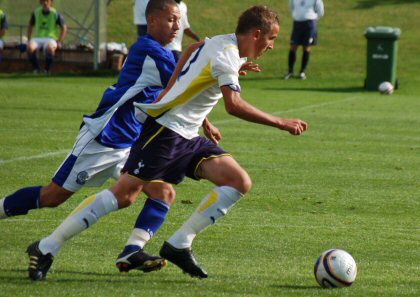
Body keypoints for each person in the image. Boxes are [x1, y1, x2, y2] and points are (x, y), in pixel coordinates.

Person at [26, 4, 308, 281]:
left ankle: (179, 244)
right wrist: (281, 122)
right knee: (124, 195)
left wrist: (173, 90)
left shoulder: (219, 43)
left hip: (188, 136)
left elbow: (190, 51)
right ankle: (47, 246)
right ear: (257, 34)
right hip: (164, 132)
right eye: (271, 38)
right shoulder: (226, 54)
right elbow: (234, 106)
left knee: (238, 182)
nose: (271, 46)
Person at [283, 0, 324, 80]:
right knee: (293, 46)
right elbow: (292, 8)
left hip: (309, 23)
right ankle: (290, 71)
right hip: (297, 23)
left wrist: (314, 19)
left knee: (306, 47)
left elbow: (320, 12)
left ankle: (302, 72)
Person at [27, 0, 67, 74]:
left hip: (50, 39)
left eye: (47, 1)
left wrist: (59, 41)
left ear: (51, 2)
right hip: (37, 38)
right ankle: (36, 69)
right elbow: (30, 26)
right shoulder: (36, 12)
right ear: (40, 2)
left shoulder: (55, 13)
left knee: (50, 49)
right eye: (43, 1)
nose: (45, 3)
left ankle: (46, 70)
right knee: (30, 48)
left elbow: (64, 28)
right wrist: (28, 39)